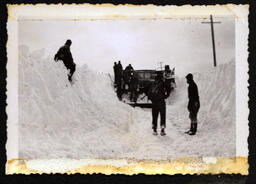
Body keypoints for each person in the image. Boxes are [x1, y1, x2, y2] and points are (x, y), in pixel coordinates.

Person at [148, 71, 169, 136]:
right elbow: (168, 91)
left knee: (154, 116)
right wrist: (165, 96)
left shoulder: (153, 83)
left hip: (154, 102)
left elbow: (149, 92)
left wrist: (152, 99)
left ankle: (154, 130)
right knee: (162, 116)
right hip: (161, 102)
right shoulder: (163, 83)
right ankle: (162, 131)